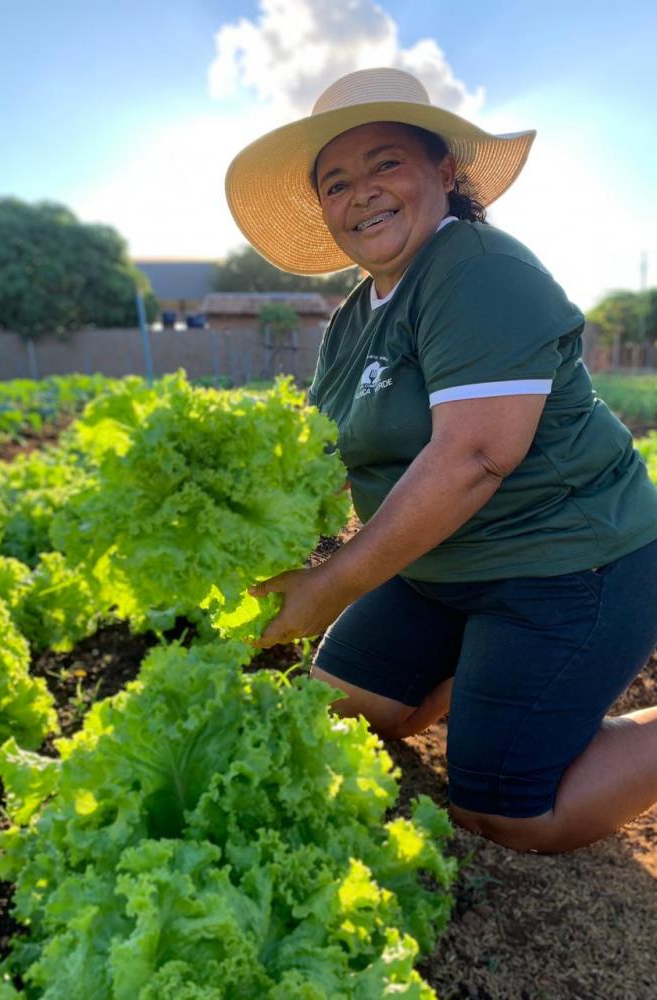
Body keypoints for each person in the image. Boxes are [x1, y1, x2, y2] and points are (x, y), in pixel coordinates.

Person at [225, 67, 657, 853]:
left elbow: (475, 456)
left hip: (567, 566)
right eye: (337, 182)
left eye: (386, 162)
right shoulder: (356, 315)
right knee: (347, 708)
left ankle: (518, 691)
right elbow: (322, 454)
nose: (362, 192)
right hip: (438, 570)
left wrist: (330, 584)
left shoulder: (479, 269)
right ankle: (494, 673)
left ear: (444, 172)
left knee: (505, 815)